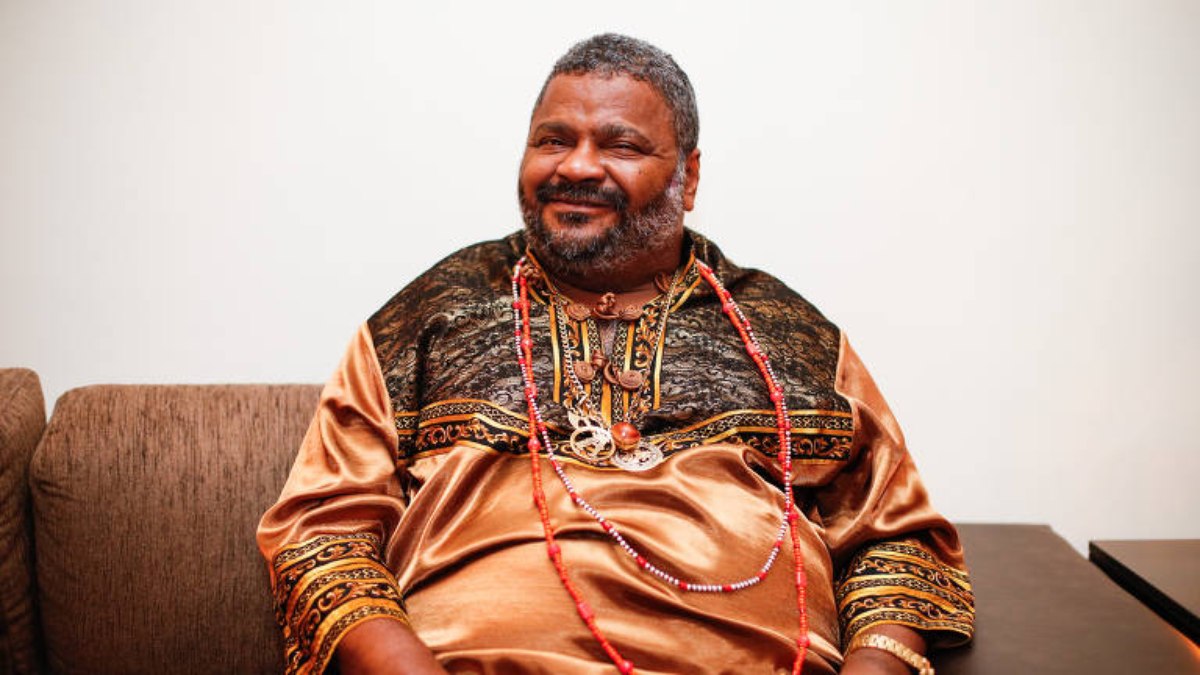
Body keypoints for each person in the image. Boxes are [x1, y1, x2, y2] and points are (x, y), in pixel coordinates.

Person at [257, 33, 974, 675]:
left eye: (621, 146)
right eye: (552, 140)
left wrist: (877, 662)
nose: (577, 166)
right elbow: (322, 535)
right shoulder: (425, 318)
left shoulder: (788, 333)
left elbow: (896, 542)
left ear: (689, 178)